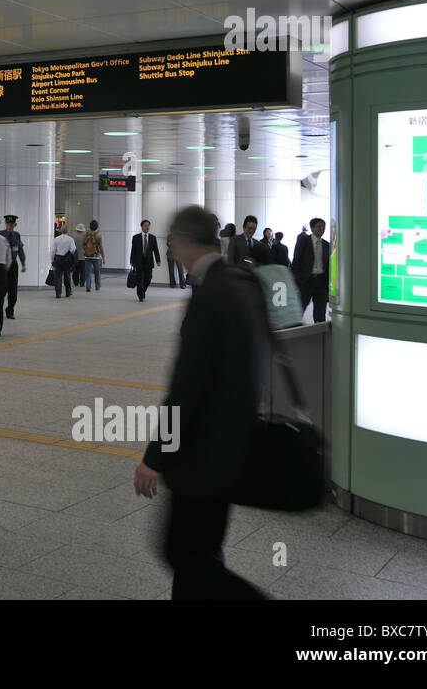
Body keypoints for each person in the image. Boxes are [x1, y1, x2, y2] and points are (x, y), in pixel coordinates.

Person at [133, 205, 268, 600]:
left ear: (182, 240)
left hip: (201, 455)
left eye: (171, 240)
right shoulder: (242, 280)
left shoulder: (210, 295)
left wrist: (155, 457)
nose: (170, 248)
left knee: (184, 552)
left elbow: (186, 387)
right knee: (201, 551)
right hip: (231, 447)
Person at [247, 242, 303, 330]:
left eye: (249, 261)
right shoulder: (284, 269)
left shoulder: (256, 274)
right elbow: (297, 292)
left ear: (253, 260)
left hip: (277, 325)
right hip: (297, 319)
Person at [291, 217, 331, 323]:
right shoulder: (304, 241)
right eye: (319, 226)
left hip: (321, 282)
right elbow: (296, 261)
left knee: (320, 313)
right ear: (312, 228)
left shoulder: (326, 245)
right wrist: (298, 280)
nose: (321, 229)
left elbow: (328, 265)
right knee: (300, 310)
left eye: (323, 227)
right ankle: (294, 333)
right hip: (306, 281)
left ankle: (320, 337)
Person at [0, 214, 26, 319]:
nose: (10, 226)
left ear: (15, 224)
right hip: (2, 265)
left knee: (13, 290)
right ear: (5, 224)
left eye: (12, 224)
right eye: (8, 223)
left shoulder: (17, 235)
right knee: (1, 290)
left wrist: (23, 264)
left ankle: (10, 310)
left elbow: (20, 250)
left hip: (13, 265)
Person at [130, 219, 160, 302]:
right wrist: (132, 261)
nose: (147, 227)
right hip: (139, 262)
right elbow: (133, 250)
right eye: (145, 225)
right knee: (140, 279)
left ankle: (142, 291)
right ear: (142, 226)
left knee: (148, 279)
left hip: (149, 262)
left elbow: (156, 250)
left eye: (148, 226)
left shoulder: (152, 238)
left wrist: (158, 260)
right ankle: (140, 295)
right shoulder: (136, 238)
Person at [50, 226, 76, 299]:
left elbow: (53, 251)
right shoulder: (70, 239)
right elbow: (73, 249)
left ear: (61, 231)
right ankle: (68, 292)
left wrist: (52, 260)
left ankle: (58, 293)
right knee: (67, 276)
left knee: (58, 277)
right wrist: (68, 255)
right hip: (67, 260)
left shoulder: (56, 239)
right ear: (67, 231)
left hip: (58, 259)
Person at [82, 220, 105, 291]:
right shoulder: (99, 235)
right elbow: (101, 247)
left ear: (90, 226)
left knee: (88, 272)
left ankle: (88, 287)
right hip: (96, 256)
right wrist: (103, 257)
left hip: (87, 256)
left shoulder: (86, 235)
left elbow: (83, 245)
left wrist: (86, 251)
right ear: (97, 227)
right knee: (97, 272)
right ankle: (97, 286)